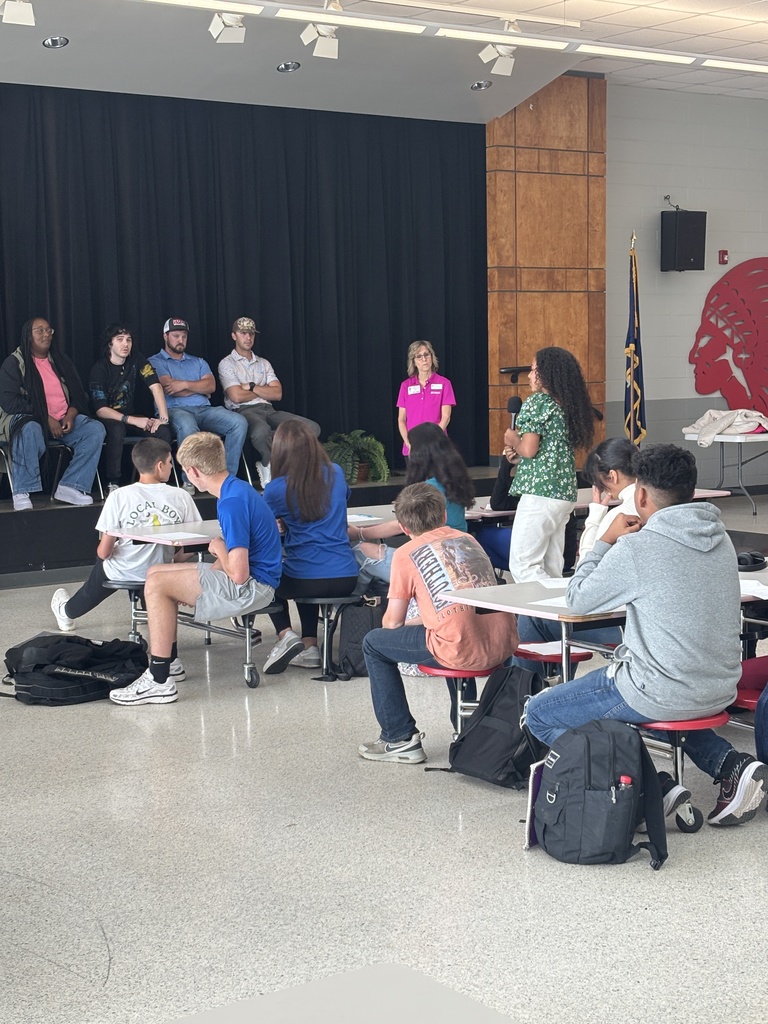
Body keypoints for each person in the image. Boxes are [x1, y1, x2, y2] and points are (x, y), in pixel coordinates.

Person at [523, 444, 768, 827]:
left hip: (659, 689)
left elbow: (576, 599)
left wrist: (605, 540)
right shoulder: (720, 539)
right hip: (718, 686)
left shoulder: (638, 548)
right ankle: (732, 765)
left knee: (538, 713)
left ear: (639, 494)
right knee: (644, 698)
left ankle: (646, 785)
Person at [109, 432, 282, 706]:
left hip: (252, 587)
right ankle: (170, 662)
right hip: (255, 581)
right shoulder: (237, 489)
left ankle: (158, 679)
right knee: (155, 573)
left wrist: (217, 548)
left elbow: (238, 574)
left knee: (156, 584)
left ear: (192, 471)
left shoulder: (231, 503)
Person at [358, 482, 519, 764]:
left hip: (461, 648)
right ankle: (465, 729)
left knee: (373, 643)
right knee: (451, 629)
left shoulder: (407, 554)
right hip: (503, 642)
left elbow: (392, 623)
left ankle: (398, 738)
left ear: (404, 527)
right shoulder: (467, 540)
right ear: (444, 515)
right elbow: (465, 607)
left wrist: (410, 619)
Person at [50, 438, 199, 659]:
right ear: (160, 465)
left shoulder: (119, 496)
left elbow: (104, 552)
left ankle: (65, 611)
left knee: (92, 588)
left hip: (122, 570)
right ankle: (171, 659)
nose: (170, 466)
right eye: (169, 462)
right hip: (161, 573)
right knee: (158, 597)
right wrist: (172, 561)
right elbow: (193, 545)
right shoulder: (181, 496)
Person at [516, 436, 638, 653]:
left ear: (612, 475)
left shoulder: (619, 517)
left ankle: (526, 685)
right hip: (641, 620)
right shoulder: (655, 506)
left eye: (601, 482)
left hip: (619, 624)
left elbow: (588, 565)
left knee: (533, 617)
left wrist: (596, 514)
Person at [261, 420, 358, 673]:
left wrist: (283, 525)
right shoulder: (335, 472)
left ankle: (286, 635)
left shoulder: (275, 489)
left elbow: (266, 527)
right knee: (304, 566)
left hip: (304, 578)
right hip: (346, 576)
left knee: (268, 575)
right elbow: (339, 500)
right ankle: (310, 646)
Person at [349, 421, 474, 592]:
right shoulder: (454, 482)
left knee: (360, 551)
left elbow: (400, 525)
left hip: (433, 565)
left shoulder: (429, 489)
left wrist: (360, 533)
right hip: (460, 559)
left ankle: (353, 607)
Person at [505, 346, 594, 582]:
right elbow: (543, 450)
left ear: (547, 373)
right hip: (563, 492)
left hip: (541, 492)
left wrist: (513, 439)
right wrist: (519, 454)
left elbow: (530, 449)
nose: (529, 375)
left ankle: (538, 617)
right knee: (551, 565)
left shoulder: (539, 402)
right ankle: (557, 615)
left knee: (523, 564)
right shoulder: (565, 404)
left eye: (534, 370)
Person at [0, 317, 105, 511]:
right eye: (39, 330)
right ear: (28, 336)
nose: (46, 334)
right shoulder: (14, 363)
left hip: (62, 419)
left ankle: (71, 486)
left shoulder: (61, 361)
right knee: (29, 428)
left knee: (95, 429)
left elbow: (79, 395)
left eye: (49, 330)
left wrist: (71, 414)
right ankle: (22, 490)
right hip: (30, 419)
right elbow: (9, 401)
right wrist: (45, 418)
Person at [217, 316, 320, 490]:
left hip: (269, 409)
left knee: (311, 428)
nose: (248, 337)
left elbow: (277, 393)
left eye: (251, 334)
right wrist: (262, 389)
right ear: (234, 336)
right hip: (243, 411)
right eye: (243, 333)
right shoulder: (227, 363)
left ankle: (284, 466)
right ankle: (268, 464)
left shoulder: (263, 363)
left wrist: (250, 386)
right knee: (261, 432)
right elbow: (236, 396)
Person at [148, 318, 247, 494]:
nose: (181, 340)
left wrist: (184, 385)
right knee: (188, 426)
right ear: (165, 336)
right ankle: (189, 479)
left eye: (184, 336)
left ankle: (226, 478)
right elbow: (169, 388)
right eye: (176, 336)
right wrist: (197, 387)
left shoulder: (198, 361)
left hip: (205, 409)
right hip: (175, 410)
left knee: (238, 422)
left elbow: (211, 387)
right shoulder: (155, 361)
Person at [89, 323, 172, 491]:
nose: (125, 344)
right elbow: (100, 409)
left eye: (128, 340)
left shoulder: (137, 359)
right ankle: (113, 482)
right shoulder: (99, 368)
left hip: (131, 417)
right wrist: (132, 420)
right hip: (107, 418)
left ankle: (157, 479)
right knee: (117, 429)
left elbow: (155, 385)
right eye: (120, 340)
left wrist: (163, 417)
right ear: (110, 344)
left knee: (162, 431)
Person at [396, 340, 455, 458]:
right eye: (419, 356)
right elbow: (401, 419)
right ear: (413, 361)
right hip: (413, 447)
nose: (424, 359)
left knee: (436, 477)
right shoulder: (406, 386)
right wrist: (408, 443)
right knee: (417, 477)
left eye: (427, 354)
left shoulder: (444, 383)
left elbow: (446, 417)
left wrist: (432, 441)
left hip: (437, 446)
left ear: (432, 357)